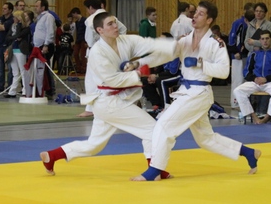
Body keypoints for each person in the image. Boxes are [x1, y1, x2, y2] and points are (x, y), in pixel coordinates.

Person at [132, 1, 262, 181]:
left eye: (200, 14)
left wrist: (201, 63)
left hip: (199, 92)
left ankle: (155, 170)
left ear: (209, 20)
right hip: (187, 90)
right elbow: (164, 55)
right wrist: (138, 63)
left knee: (163, 125)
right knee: (205, 139)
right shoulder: (185, 39)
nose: (195, 16)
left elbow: (224, 71)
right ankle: (248, 152)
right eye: (195, 13)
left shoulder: (216, 43)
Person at [39, 12, 176, 178]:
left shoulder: (125, 41)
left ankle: (51, 156)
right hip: (110, 102)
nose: (115, 26)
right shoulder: (97, 53)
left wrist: (178, 45)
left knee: (94, 145)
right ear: (100, 30)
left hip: (110, 102)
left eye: (115, 22)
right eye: (110, 24)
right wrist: (139, 73)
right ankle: (155, 169)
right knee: (152, 130)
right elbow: (113, 80)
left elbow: (150, 44)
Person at [234, 30, 271, 124]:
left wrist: (266, 79)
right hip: (255, 82)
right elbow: (246, 72)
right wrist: (254, 78)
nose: (265, 41)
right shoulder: (254, 54)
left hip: (270, 82)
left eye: (267, 38)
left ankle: (267, 117)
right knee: (238, 90)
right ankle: (254, 117)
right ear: (260, 41)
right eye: (262, 39)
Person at [228, 4, 253, 108]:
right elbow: (231, 38)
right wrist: (235, 51)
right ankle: (235, 103)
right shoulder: (238, 23)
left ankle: (246, 103)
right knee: (238, 80)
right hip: (237, 56)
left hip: (248, 55)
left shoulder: (253, 24)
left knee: (247, 80)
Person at [4, 10, 33, 98]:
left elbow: (19, 35)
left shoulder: (26, 28)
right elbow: (8, 37)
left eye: (15, 17)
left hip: (21, 50)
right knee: (15, 72)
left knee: (23, 71)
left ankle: (25, 90)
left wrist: (15, 35)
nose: (13, 18)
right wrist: (15, 38)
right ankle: (12, 91)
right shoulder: (13, 26)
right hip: (13, 49)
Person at [33, 0, 56, 98]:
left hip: (45, 46)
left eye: (37, 6)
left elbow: (50, 31)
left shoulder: (48, 17)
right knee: (41, 69)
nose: (35, 8)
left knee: (46, 68)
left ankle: (50, 91)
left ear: (43, 7)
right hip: (39, 46)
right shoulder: (40, 18)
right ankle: (41, 89)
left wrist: (46, 44)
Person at [0, 2, 15, 92]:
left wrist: (0, 27)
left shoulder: (12, 19)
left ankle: (10, 86)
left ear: (10, 10)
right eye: (3, 8)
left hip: (8, 46)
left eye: (5, 9)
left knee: (10, 68)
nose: (3, 10)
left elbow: (5, 27)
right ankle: (0, 85)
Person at [70, 7, 87, 74]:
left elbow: (86, 31)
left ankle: (84, 68)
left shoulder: (85, 20)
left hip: (83, 39)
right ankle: (78, 67)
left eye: (73, 15)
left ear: (76, 13)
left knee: (83, 55)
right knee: (75, 53)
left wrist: (86, 41)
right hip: (78, 39)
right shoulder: (76, 22)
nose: (73, 17)